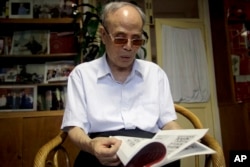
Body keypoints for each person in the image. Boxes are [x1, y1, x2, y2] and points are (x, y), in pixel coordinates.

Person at [61, 1, 182, 167]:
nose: (129, 47)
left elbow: (168, 122)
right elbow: (74, 127)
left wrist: (181, 139)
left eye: (136, 40)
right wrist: (91, 145)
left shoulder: (155, 74)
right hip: (102, 151)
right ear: (103, 35)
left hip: (148, 152)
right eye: (120, 38)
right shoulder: (82, 75)